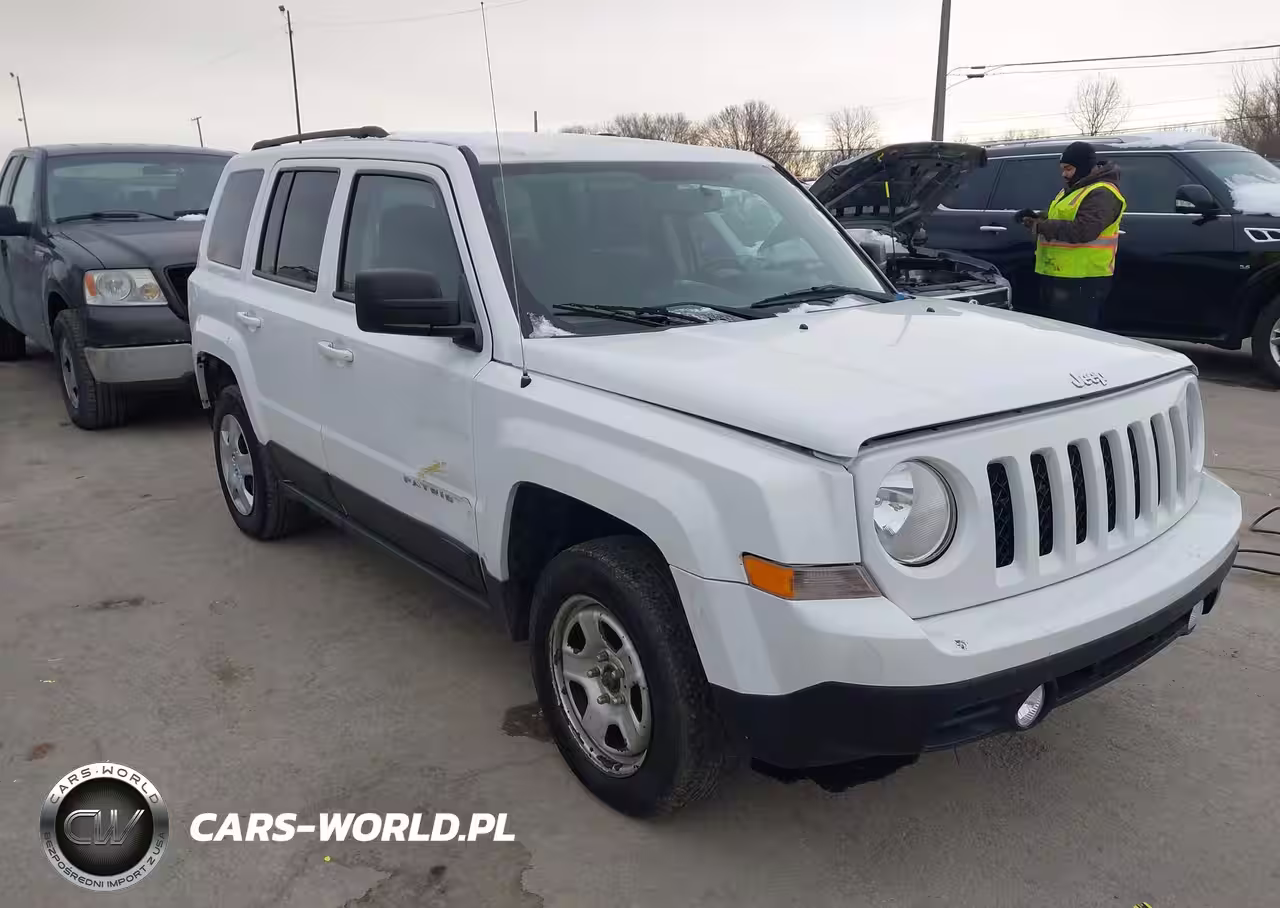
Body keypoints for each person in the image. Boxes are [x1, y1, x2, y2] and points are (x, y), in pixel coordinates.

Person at [1016, 141, 1126, 329]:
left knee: (1077, 335)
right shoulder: (1074, 189)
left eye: (1068, 169)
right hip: (1060, 274)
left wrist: (1041, 226)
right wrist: (1035, 217)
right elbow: (1059, 216)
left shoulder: (1102, 193)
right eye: (1063, 169)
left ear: (1082, 167)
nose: (1064, 174)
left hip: (1083, 279)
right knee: (1058, 333)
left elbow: (1083, 230)